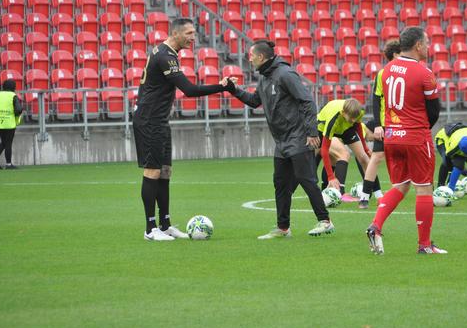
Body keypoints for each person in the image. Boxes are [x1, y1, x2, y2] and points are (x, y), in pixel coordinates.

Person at [133, 18, 231, 241]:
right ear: (175, 33)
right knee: (152, 171)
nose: (193, 37)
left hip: (159, 120)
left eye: (194, 33)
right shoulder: (166, 56)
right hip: (149, 120)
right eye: (188, 33)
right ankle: (150, 229)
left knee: (165, 171)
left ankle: (165, 224)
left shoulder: (166, 52)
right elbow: (189, 90)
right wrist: (222, 87)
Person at [225, 40, 334, 239]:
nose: (249, 59)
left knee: (306, 179)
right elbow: (254, 101)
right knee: (281, 183)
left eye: (251, 56)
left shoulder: (285, 74)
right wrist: (233, 89)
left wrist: (311, 133)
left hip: (299, 136)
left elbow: (307, 101)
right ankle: (283, 228)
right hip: (282, 141)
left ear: (261, 57)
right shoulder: (265, 78)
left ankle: (325, 221)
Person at [365, 26, 445, 255]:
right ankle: (424, 245)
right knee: (424, 188)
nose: (428, 47)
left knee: (400, 185)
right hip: (415, 136)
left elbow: (380, 100)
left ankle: (376, 226)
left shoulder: (387, 70)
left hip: (391, 137)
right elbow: (433, 112)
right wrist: (419, 129)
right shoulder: (424, 73)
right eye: (427, 42)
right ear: (418, 45)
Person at [358, 40, 401, 209]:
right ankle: (364, 197)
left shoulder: (408, 72)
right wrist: (377, 124)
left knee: (407, 158)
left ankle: (425, 192)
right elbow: (375, 100)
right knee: (376, 157)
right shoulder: (383, 74)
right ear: (396, 55)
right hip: (386, 125)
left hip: (403, 125)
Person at [316, 98, 372, 202]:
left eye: (355, 118)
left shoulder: (357, 112)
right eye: (351, 118)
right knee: (343, 154)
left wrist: (365, 147)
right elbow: (324, 149)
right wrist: (331, 177)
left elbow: (358, 126)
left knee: (337, 159)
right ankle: (340, 193)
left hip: (344, 127)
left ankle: (327, 191)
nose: (353, 121)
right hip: (321, 127)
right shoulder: (334, 118)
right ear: (343, 113)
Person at [0, 79, 23, 170]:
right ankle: (8, 164)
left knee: (4, 142)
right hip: (9, 122)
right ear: (13, 87)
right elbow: (19, 109)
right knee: (8, 143)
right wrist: (15, 114)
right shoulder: (13, 96)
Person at [434, 122, 467, 187]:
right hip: (442, 141)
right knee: (446, 161)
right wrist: (464, 170)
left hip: (455, 142)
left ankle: (449, 184)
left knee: (455, 162)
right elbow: (450, 154)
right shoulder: (454, 139)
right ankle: (440, 185)